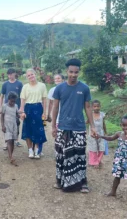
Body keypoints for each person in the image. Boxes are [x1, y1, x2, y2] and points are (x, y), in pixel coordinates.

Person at [52, 59, 96, 193]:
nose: (73, 75)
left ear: (79, 72)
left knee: (80, 155)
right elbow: (55, 107)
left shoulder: (84, 88)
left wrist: (92, 126)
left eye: (76, 72)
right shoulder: (59, 88)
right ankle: (60, 181)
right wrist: (53, 126)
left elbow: (88, 107)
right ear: (67, 71)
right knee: (61, 156)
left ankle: (83, 183)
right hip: (63, 128)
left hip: (79, 128)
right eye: (71, 72)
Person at [97, 115, 127, 201]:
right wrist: (100, 136)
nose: (126, 127)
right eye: (124, 125)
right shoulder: (119, 134)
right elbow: (110, 138)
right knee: (117, 176)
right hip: (120, 159)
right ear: (121, 125)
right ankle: (113, 191)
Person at [20, 69, 48, 159]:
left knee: (38, 130)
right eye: (28, 75)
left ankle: (37, 150)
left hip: (38, 108)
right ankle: (30, 150)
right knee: (28, 130)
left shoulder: (42, 85)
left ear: (35, 75)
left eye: (32, 74)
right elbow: (23, 100)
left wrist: (44, 112)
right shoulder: (25, 87)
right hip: (28, 109)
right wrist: (22, 111)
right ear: (27, 77)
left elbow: (44, 99)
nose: (30, 76)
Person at [0, 68, 23, 150]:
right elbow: (1, 96)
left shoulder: (19, 84)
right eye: (8, 75)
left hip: (16, 107)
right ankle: (6, 142)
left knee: (16, 123)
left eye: (11, 74)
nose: (10, 76)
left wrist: (22, 107)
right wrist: (0, 106)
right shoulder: (5, 84)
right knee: (6, 125)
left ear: (15, 74)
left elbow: (22, 97)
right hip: (7, 107)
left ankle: (16, 140)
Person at [1, 92, 20, 166]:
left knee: (12, 141)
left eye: (14, 101)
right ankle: (11, 157)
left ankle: (11, 155)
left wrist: (21, 115)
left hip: (14, 126)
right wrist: (2, 125)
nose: (12, 103)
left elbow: (16, 114)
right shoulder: (4, 106)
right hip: (7, 126)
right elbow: (2, 116)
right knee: (9, 140)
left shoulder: (16, 106)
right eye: (11, 101)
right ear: (8, 99)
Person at [87, 100, 107, 169]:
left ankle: (98, 160)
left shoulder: (102, 114)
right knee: (93, 148)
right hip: (92, 135)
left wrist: (105, 132)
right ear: (92, 107)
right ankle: (94, 162)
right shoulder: (90, 115)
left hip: (101, 134)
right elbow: (87, 122)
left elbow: (103, 124)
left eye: (98, 106)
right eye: (94, 106)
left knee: (101, 148)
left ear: (100, 106)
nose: (96, 108)